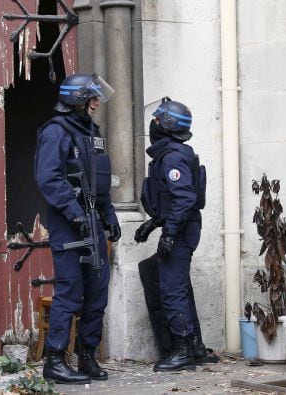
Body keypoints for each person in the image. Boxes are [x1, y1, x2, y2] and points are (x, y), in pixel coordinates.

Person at [34, 73, 121, 384]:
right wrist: (75, 214)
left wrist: (108, 216)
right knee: (70, 290)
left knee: (97, 292)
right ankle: (55, 360)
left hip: (93, 220)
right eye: (92, 98)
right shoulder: (56, 132)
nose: (97, 103)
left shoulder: (90, 132)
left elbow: (99, 181)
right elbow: (49, 179)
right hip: (68, 224)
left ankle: (87, 357)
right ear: (77, 100)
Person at [134, 97, 214, 372]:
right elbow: (171, 200)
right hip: (179, 228)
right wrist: (154, 223)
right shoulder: (171, 154)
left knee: (172, 291)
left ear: (166, 126)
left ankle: (181, 351)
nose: (153, 124)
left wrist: (168, 233)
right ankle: (195, 347)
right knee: (180, 288)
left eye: (157, 120)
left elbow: (184, 198)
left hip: (180, 231)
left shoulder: (172, 157)